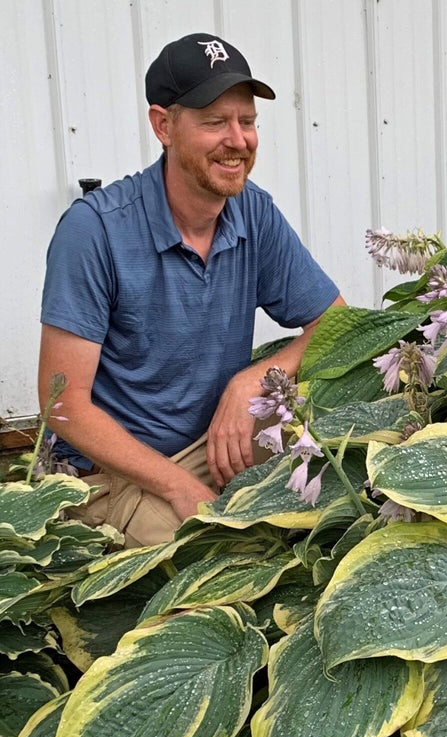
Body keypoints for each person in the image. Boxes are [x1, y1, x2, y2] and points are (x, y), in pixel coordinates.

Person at [37, 32, 344, 547]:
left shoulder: (254, 211)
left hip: (213, 443)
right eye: (214, 121)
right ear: (164, 125)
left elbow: (336, 323)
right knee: (219, 566)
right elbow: (63, 404)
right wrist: (179, 486)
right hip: (114, 470)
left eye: (246, 122)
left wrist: (251, 381)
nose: (238, 139)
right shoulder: (95, 230)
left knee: (340, 478)